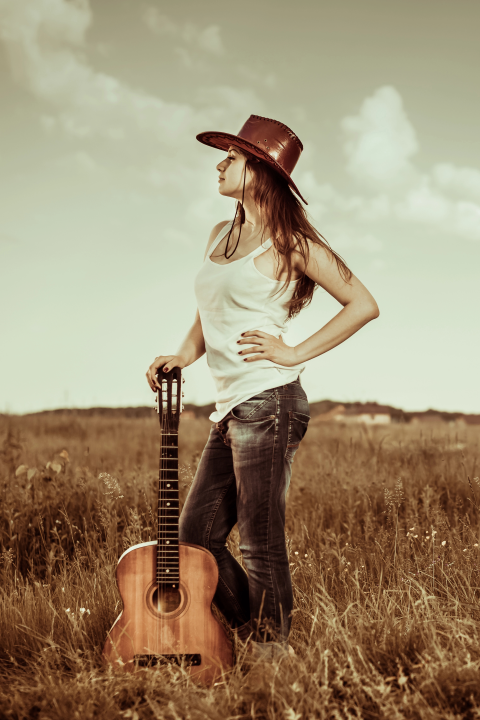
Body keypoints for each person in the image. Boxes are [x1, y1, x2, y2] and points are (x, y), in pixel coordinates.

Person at [145, 115, 379, 663]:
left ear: (262, 171)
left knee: (257, 537)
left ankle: (272, 653)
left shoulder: (291, 242)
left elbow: (364, 304)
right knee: (193, 539)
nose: (220, 163)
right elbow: (211, 312)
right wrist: (182, 354)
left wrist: (294, 352)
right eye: (223, 155)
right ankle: (261, 637)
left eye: (233, 157)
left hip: (270, 401)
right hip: (231, 408)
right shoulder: (219, 235)